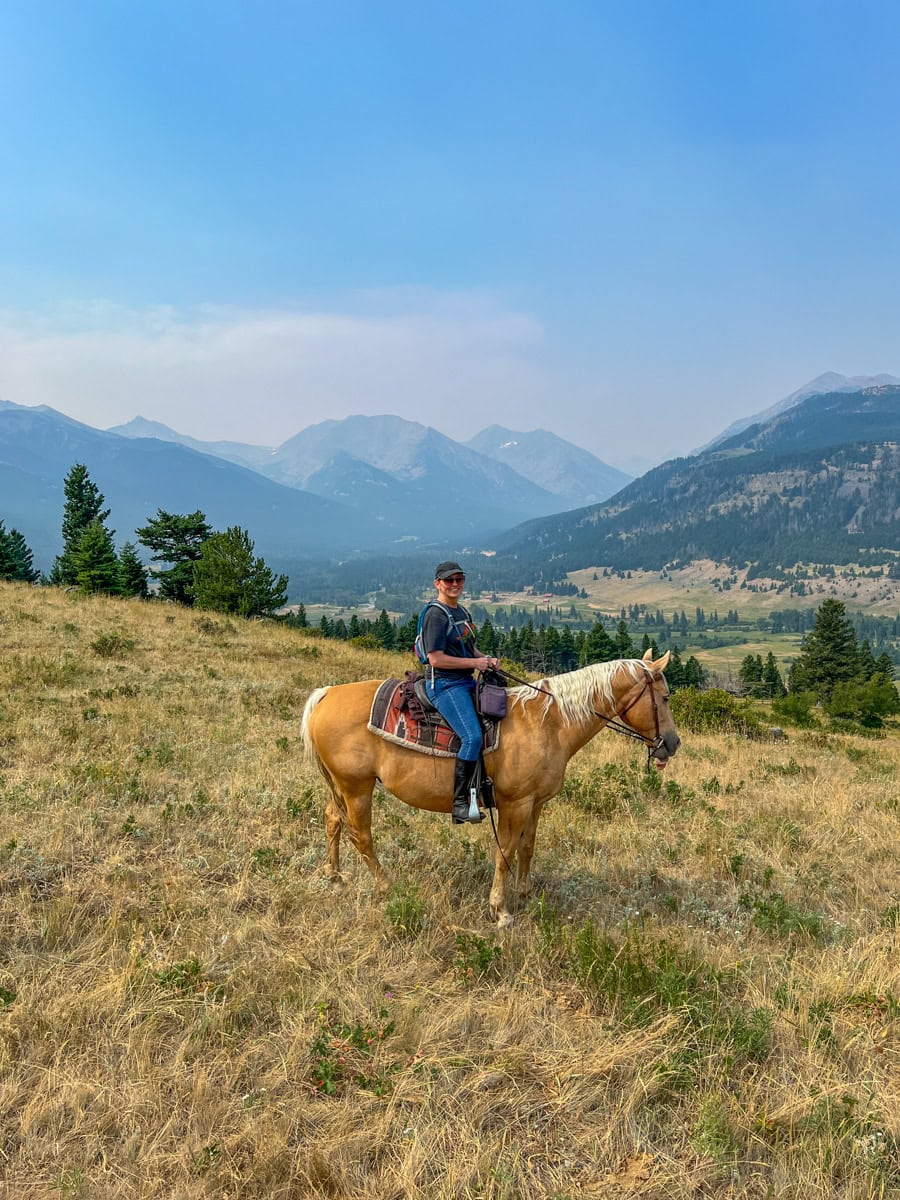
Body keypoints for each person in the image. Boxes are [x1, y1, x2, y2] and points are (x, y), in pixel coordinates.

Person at [420, 561, 500, 824]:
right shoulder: (436, 614)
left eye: (459, 580)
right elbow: (436, 658)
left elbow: (467, 650)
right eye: (448, 580)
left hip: (464, 680)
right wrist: (474, 664)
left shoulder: (461, 611)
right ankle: (460, 804)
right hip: (444, 684)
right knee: (473, 737)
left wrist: (484, 659)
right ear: (437, 584)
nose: (454, 584)